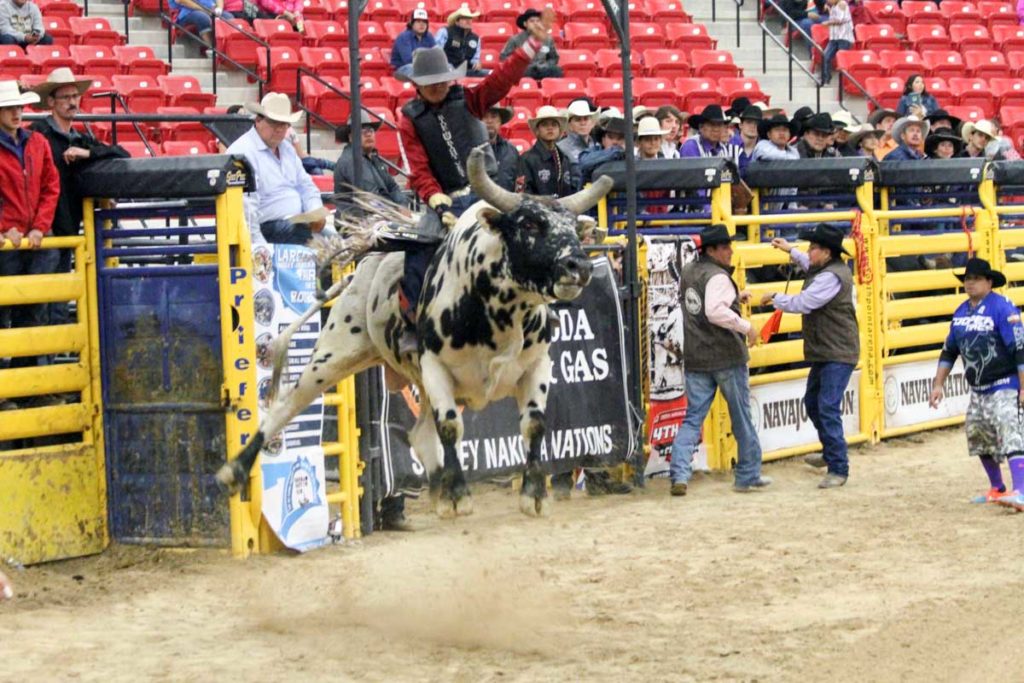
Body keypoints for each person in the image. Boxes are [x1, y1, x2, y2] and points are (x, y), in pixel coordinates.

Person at [398, 28, 546, 350]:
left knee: (527, 230)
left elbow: (500, 80)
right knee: (420, 248)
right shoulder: (409, 119)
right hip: (445, 197)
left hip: (487, 190)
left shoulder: (469, 99)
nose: (438, 85)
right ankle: (411, 320)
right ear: (417, 86)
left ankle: (541, 303)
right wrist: (438, 204)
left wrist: (526, 51)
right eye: (431, 81)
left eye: (442, 79)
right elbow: (419, 169)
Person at [669, 224, 768, 496]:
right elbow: (714, 311)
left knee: (693, 418)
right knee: (741, 416)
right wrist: (747, 327)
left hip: (697, 356)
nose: (730, 251)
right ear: (712, 250)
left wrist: (735, 296)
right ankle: (748, 474)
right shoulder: (718, 276)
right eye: (725, 247)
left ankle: (679, 473)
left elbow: (701, 305)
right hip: (725, 355)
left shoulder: (689, 271)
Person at [762, 224, 859, 488]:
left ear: (825, 252)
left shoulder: (830, 277)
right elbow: (808, 263)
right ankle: (831, 453)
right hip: (830, 349)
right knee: (815, 403)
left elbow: (805, 302)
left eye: (812, 247)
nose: (809, 250)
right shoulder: (828, 269)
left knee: (825, 405)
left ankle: (838, 466)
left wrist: (775, 297)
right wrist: (791, 250)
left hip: (836, 350)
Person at [28, 68, 128, 325]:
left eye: (75, 96)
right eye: (66, 97)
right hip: (43, 230)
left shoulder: (80, 139)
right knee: (39, 303)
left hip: (65, 229)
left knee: (56, 303)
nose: (73, 102)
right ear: (51, 102)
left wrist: (88, 155)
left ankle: (49, 360)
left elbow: (121, 154)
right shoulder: (37, 134)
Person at [929, 258, 1024, 509]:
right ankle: (997, 487)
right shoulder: (961, 312)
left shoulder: (1003, 308)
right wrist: (938, 384)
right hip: (979, 388)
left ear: (989, 282)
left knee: (1010, 430)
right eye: (967, 279)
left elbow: (1019, 350)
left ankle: (1022, 490)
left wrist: (1023, 387)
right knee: (978, 434)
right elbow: (949, 351)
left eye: (976, 279)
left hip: (1005, 383)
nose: (970, 283)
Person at [0, 80, 60, 374]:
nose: (16, 113)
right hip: (12, 243)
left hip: (27, 240)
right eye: (9, 108)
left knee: (32, 312)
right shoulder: (37, 142)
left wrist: (39, 226)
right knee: (8, 313)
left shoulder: (38, 143)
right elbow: (50, 187)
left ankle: (22, 387)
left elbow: (51, 186)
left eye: (18, 107)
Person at [227, 92, 325, 245]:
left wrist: (315, 212)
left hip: (292, 224)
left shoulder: (287, 149)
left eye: (284, 124)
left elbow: (305, 185)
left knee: (338, 242)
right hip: (267, 227)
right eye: (274, 122)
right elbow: (246, 210)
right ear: (258, 120)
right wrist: (260, 248)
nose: (280, 129)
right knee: (302, 234)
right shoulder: (242, 153)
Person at [334, 114, 406, 206]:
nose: (368, 134)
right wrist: (396, 211)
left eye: (371, 130)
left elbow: (392, 186)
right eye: (362, 131)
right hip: (357, 217)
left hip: (381, 213)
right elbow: (370, 197)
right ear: (351, 137)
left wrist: (402, 205)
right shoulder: (351, 160)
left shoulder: (374, 157)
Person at [520, 105, 573, 197]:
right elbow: (525, 194)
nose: (550, 128)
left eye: (554, 124)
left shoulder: (564, 158)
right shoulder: (526, 159)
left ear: (559, 130)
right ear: (537, 130)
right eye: (545, 125)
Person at [501, 8, 562, 81]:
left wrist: (546, 65)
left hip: (542, 69)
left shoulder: (548, 39)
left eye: (538, 21)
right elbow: (504, 57)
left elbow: (554, 58)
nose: (536, 23)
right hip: (524, 70)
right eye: (532, 21)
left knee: (556, 70)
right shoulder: (515, 39)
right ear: (525, 24)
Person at [435, 4, 488, 77]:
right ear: (457, 21)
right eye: (464, 18)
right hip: (446, 71)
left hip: (467, 71)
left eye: (470, 18)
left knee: (490, 74)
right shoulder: (445, 32)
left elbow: (475, 58)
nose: (468, 20)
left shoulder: (476, 38)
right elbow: (436, 53)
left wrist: (477, 63)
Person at [577, 113, 627, 186]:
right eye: (610, 137)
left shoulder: (630, 157)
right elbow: (584, 163)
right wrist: (615, 151)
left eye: (620, 138)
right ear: (602, 139)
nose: (615, 142)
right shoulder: (592, 153)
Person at [482, 103, 519, 192]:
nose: (489, 121)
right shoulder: (468, 150)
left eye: (494, 117)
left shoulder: (512, 151)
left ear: (500, 121)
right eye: (485, 117)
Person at [391, 8, 435, 79]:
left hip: (424, 68)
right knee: (413, 69)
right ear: (411, 23)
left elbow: (435, 55)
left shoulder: (429, 36)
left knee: (447, 67)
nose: (422, 24)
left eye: (424, 22)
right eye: (418, 21)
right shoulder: (404, 37)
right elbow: (408, 60)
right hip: (402, 69)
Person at [167, 0, 232, 49]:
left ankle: (227, 49)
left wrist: (219, 9)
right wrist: (205, 10)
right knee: (202, 18)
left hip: (210, 10)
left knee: (228, 17)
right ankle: (212, 48)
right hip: (186, 12)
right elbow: (181, 1)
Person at [556, 97, 598, 166]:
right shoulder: (560, 149)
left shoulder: (597, 146)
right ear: (569, 125)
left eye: (586, 119)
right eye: (578, 119)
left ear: (592, 123)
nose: (583, 123)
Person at [820, 0, 853, 85]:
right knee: (825, 56)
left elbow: (840, 20)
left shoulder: (842, 3)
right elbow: (835, 16)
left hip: (844, 37)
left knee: (842, 61)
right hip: (834, 37)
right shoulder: (833, 6)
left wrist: (828, 23)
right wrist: (829, 9)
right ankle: (826, 78)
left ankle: (844, 82)